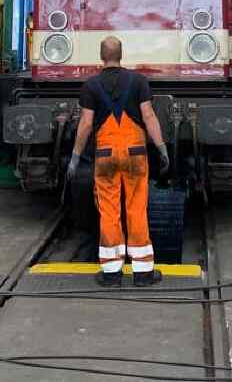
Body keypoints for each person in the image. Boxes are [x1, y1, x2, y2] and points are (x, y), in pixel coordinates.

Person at [67, 36, 170, 288]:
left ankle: (112, 274)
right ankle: (143, 273)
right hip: (136, 154)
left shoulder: (91, 85)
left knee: (109, 211)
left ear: (102, 56)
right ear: (121, 55)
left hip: (105, 157)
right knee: (136, 209)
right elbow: (149, 116)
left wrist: (75, 156)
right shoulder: (139, 81)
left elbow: (86, 124)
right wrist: (161, 147)